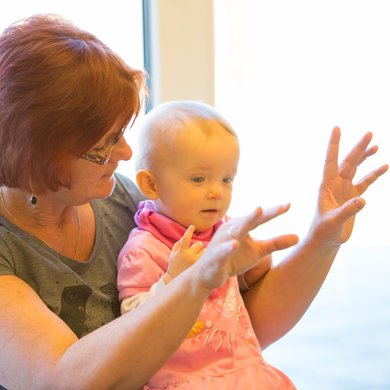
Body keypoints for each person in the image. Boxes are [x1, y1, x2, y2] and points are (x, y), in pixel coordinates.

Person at [0, 13, 387, 390]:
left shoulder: (127, 201)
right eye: (103, 146)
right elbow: (62, 380)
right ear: (37, 155)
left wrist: (323, 240)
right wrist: (192, 283)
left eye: (122, 133)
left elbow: (232, 336)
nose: (125, 151)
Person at [117, 100, 296, 388]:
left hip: (244, 369)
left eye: (227, 179)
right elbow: (131, 322)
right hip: (185, 378)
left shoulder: (223, 230)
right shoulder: (144, 249)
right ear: (151, 185)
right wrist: (173, 279)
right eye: (198, 179)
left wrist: (256, 265)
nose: (217, 192)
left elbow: (241, 290)